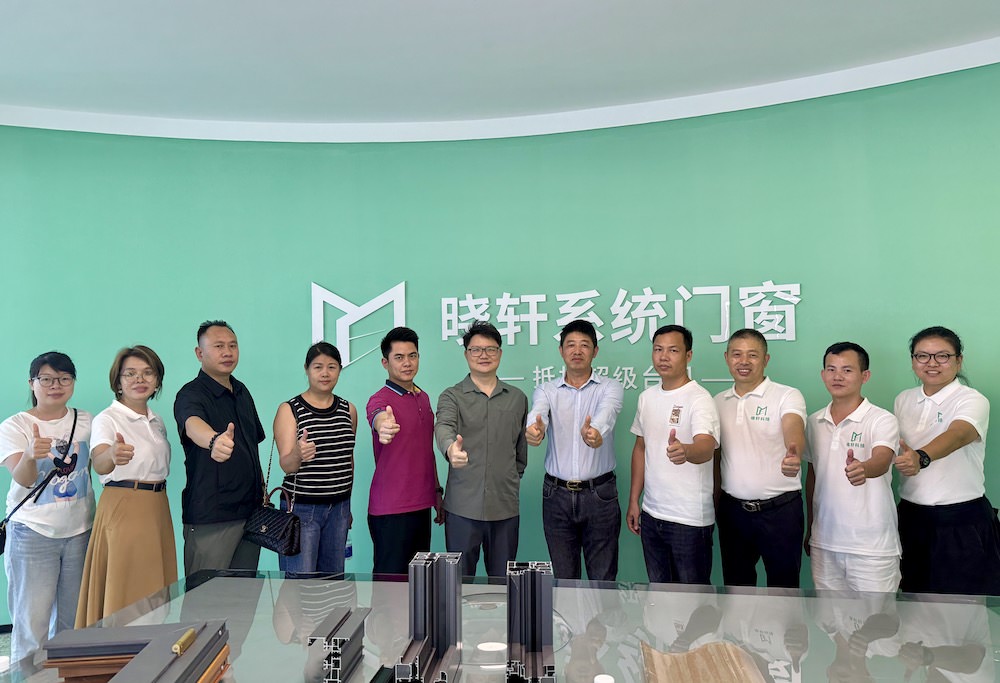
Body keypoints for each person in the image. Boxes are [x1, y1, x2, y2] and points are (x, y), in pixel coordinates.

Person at [1, 351, 94, 666]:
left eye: (64, 378)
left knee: (73, 624)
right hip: (32, 533)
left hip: (80, 532)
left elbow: (95, 468)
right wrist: (29, 455)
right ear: (32, 383)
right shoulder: (15, 425)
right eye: (47, 379)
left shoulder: (86, 421)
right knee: (32, 626)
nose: (56, 385)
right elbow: (24, 479)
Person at [893, 325, 1000, 595]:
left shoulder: (972, 399)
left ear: (958, 360)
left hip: (961, 520)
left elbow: (958, 434)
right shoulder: (904, 399)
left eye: (942, 356)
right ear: (913, 361)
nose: (931, 363)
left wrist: (921, 457)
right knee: (913, 602)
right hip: (911, 517)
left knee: (962, 609)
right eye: (922, 356)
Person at [76, 345, 177, 627]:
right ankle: (121, 650)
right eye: (130, 374)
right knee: (124, 595)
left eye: (147, 373)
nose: (139, 379)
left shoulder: (156, 421)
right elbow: (100, 461)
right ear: (118, 382)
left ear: (157, 380)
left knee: (155, 592)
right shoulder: (107, 419)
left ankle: (151, 646)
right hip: (125, 506)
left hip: (157, 507)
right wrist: (111, 454)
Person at [525, 319, 624, 581]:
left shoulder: (610, 387)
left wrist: (596, 431)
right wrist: (534, 429)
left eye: (584, 345)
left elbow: (607, 413)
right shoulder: (546, 390)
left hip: (600, 495)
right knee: (564, 579)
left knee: (603, 578)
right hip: (556, 496)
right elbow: (538, 413)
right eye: (570, 345)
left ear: (595, 351)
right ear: (561, 351)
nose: (577, 351)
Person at [713, 328, 807, 588]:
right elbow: (715, 458)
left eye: (752, 355)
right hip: (733, 512)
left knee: (784, 589)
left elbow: (793, 427)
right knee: (737, 587)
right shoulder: (717, 401)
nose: (744, 361)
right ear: (726, 358)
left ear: (766, 359)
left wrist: (794, 451)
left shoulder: (787, 395)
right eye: (737, 354)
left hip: (780, 512)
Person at [803, 342, 900, 592]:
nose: (837, 376)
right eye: (831, 369)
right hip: (824, 543)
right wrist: (810, 528)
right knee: (829, 616)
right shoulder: (813, 422)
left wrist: (864, 468)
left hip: (872, 548)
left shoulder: (881, 419)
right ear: (823, 374)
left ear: (864, 376)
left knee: (877, 616)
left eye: (847, 370)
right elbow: (813, 477)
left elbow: (882, 459)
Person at [435, 320, 528, 577]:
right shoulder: (451, 396)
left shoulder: (517, 398)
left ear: (500, 353)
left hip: (505, 507)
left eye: (490, 349)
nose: (483, 355)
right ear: (466, 354)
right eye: (476, 349)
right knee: (458, 584)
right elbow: (443, 426)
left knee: (503, 585)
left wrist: (507, 479)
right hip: (462, 508)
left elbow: (520, 453)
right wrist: (451, 449)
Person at [627, 324, 720, 584]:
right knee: (660, 595)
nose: (664, 357)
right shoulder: (647, 397)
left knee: (693, 600)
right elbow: (641, 448)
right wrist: (634, 500)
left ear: (688, 356)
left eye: (673, 350)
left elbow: (706, 446)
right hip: (652, 514)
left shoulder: (700, 399)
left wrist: (686, 450)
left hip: (688, 520)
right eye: (658, 350)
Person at [174, 320, 265, 577]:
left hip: (250, 514)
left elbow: (251, 447)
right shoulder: (190, 394)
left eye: (232, 346)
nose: (227, 352)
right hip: (212, 517)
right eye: (218, 346)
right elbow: (192, 424)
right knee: (205, 595)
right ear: (199, 353)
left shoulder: (242, 391)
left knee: (244, 594)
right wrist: (214, 441)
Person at [273, 342, 356, 575]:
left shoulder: (348, 410)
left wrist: (347, 506)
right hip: (302, 510)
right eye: (318, 367)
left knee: (333, 582)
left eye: (332, 367)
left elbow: (347, 461)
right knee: (300, 583)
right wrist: (298, 454)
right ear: (307, 369)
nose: (325, 373)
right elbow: (286, 465)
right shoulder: (289, 409)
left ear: (340, 369)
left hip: (339, 509)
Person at [366, 327, 443, 576]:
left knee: (419, 584)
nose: (407, 363)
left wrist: (437, 491)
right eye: (399, 357)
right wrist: (383, 426)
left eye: (412, 355)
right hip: (390, 509)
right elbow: (377, 416)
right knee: (390, 588)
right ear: (385, 362)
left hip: (422, 504)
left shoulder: (424, 398)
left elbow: (426, 450)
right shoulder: (379, 399)